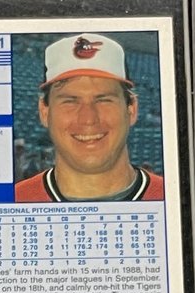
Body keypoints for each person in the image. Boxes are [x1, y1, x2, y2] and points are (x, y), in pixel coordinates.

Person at [14, 33, 164, 203]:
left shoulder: (174, 198)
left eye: (104, 100)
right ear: (44, 112)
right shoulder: (12, 202)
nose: (88, 119)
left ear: (132, 109)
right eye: (70, 101)